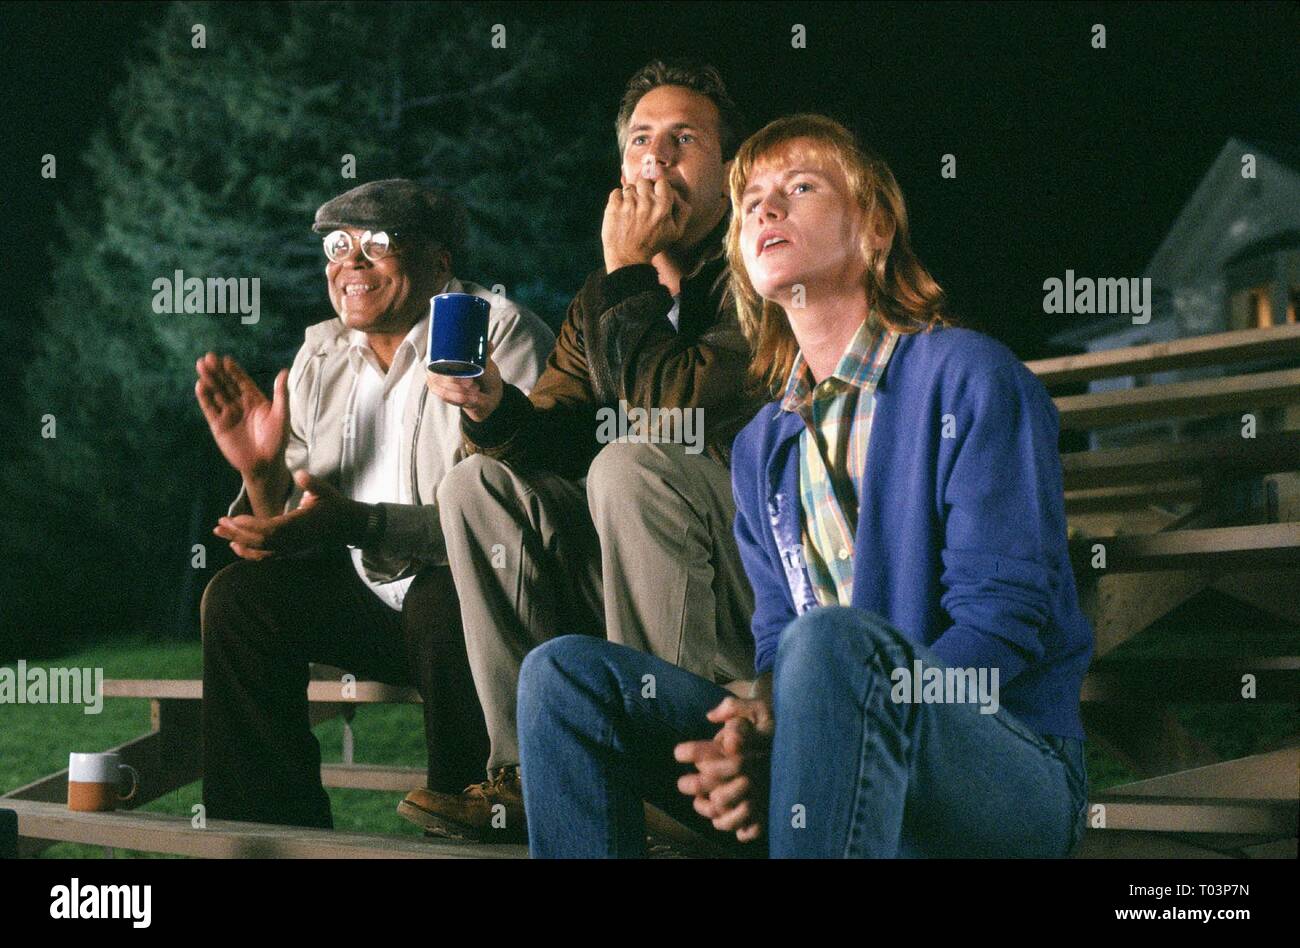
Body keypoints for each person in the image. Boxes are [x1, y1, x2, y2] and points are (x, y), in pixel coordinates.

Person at [516, 115, 1093, 858]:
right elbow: (776, 645)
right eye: (751, 197)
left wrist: (827, 721)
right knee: (565, 676)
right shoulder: (764, 445)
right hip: (824, 756)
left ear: (875, 229)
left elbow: (1005, 625)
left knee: (832, 643)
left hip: (1006, 772)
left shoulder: (969, 377)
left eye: (800, 187)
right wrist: (758, 738)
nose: (764, 207)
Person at [399, 61, 766, 842]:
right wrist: (495, 409)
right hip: (636, 574)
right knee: (475, 486)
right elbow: (562, 436)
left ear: (731, 173)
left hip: (743, 582)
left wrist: (629, 275)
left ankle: (674, 768)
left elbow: (676, 417)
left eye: (683, 140)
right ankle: (528, 770)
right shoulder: (601, 301)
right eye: (640, 140)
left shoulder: (758, 276)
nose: (656, 157)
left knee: (633, 463)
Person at [196, 178, 554, 829]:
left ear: (440, 261)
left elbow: (521, 524)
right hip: (372, 599)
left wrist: (364, 524)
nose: (349, 263)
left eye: (377, 244)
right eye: (338, 246)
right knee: (239, 599)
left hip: (484, 609)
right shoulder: (321, 354)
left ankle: (477, 817)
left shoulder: (498, 335)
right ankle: (265, 832)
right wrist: (261, 475)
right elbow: (291, 516)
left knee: (439, 601)